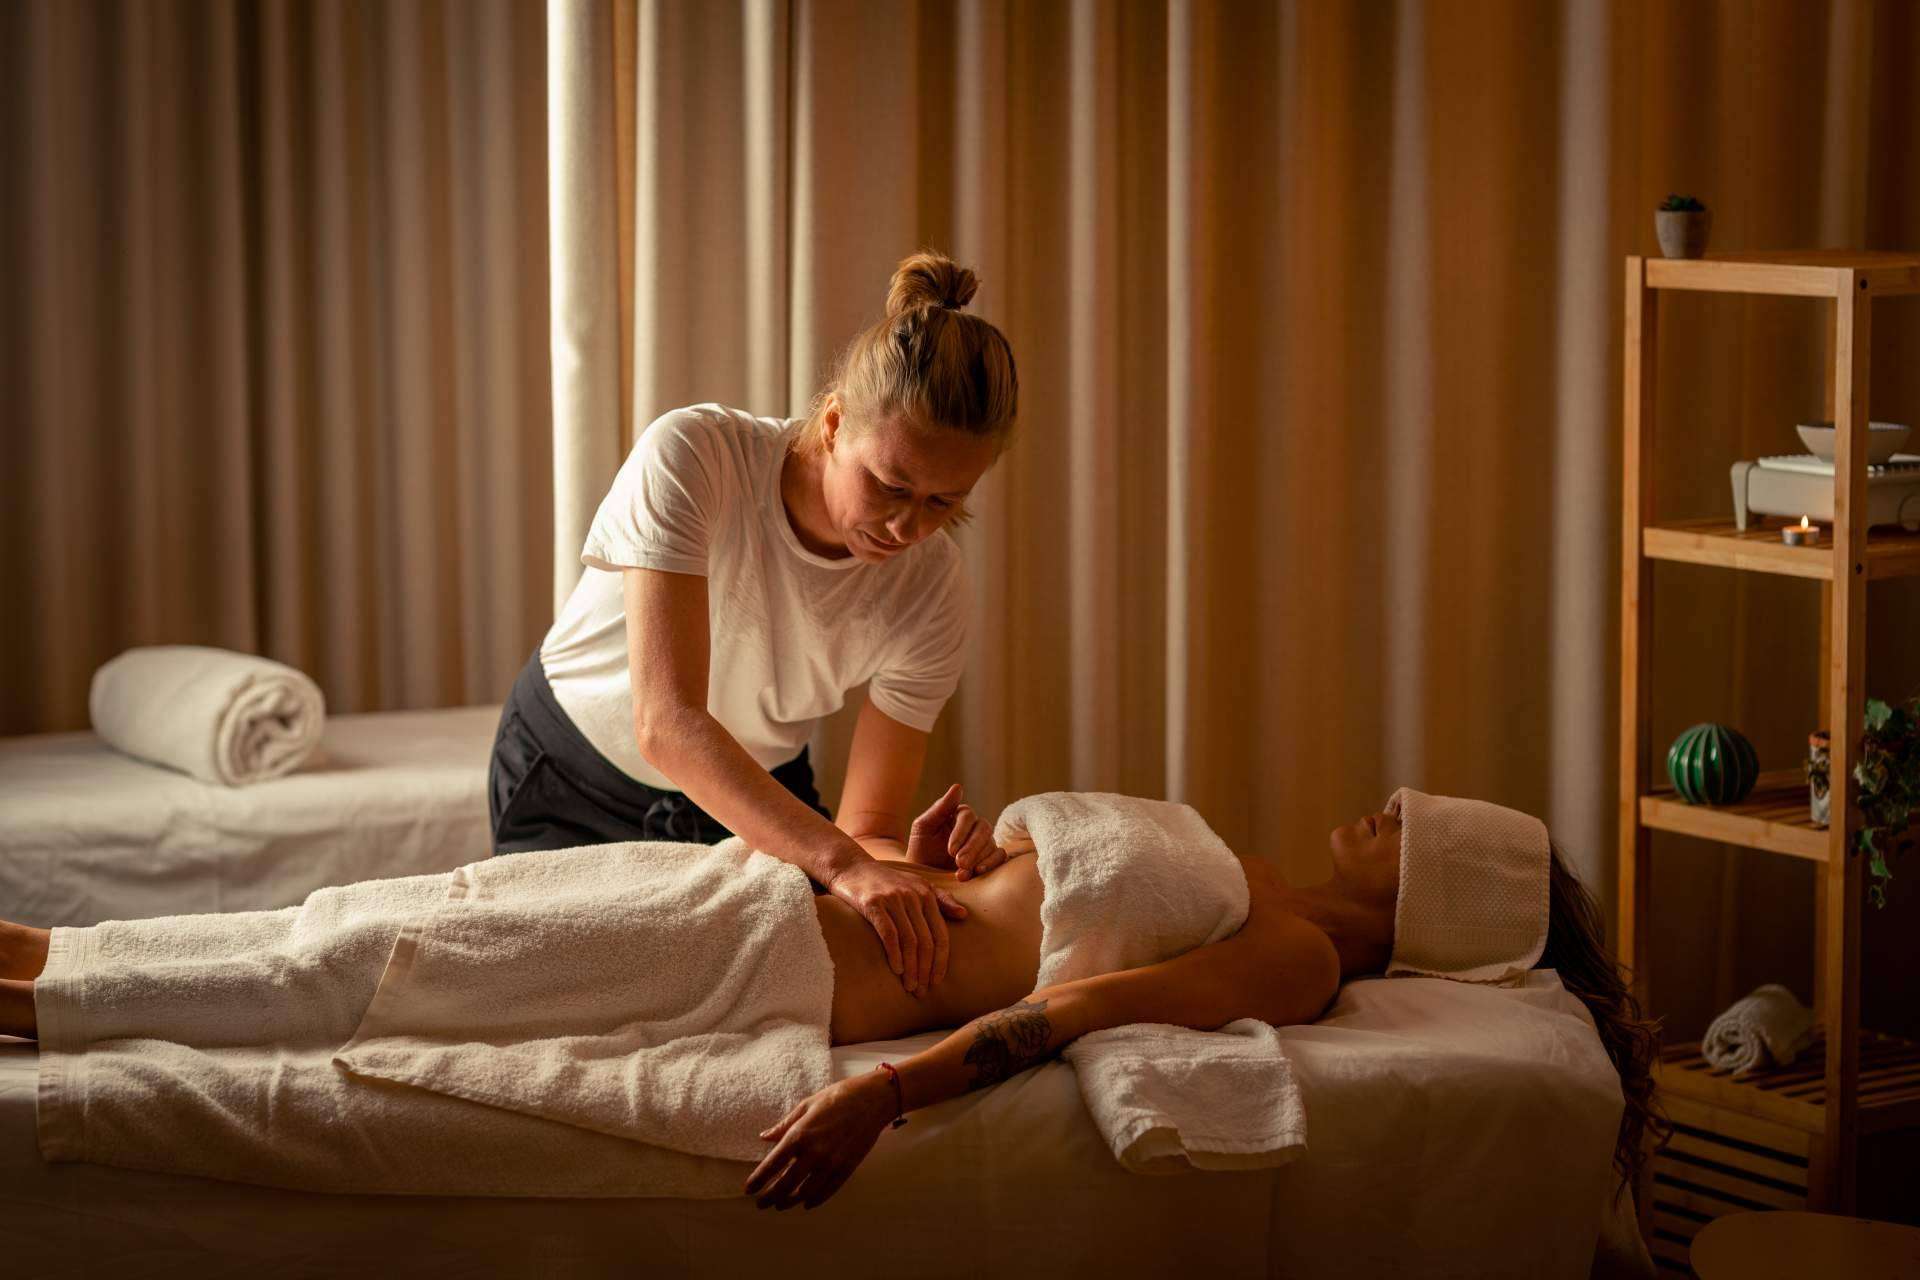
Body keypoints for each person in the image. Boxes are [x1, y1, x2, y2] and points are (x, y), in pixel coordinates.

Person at [0, 791, 1664, 1213]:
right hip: (753, 895)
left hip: (759, 970)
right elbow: (1036, 917)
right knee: (365, 920)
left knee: (348, 977)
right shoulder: (1258, 864)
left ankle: (31, 994)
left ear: (1438, 887)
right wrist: (934, 858)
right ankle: (36, 961)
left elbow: (1081, 1014)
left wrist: (887, 1091)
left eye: (1414, 820)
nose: (1385, 801)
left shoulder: (1295, 955)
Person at [491, 249, 1022, 999]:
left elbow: (866, 827)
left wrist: (918, 869)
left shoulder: (932, 590)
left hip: (764, 801)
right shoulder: (695, 456)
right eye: (890, 485)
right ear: (833, 423)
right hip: (572, 780)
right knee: (564, 1005)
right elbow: (667, 723)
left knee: (776, 999)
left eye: (944, 503)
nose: (907, 527)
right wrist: (843, 864)